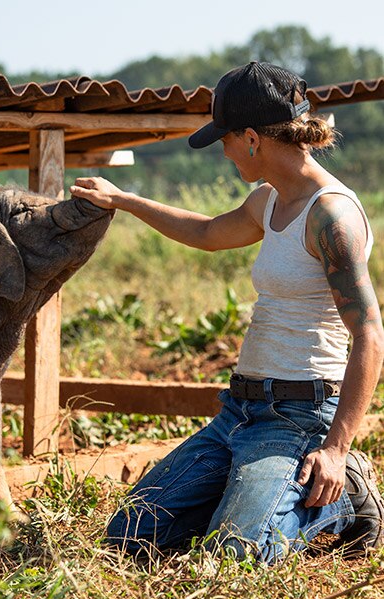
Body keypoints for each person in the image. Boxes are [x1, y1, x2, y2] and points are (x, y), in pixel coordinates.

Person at [70, 61, 384, 563]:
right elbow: (206, 233)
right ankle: (252, 491)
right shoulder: (268, 200)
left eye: (226, 139)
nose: (224, 151)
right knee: (129, 533)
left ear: (253, 138)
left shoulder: (332, 216)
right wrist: (125, 200)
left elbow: (369, 332)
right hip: (239, 411)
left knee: (236, 553)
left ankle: (346, 491)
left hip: (300, 416)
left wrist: (338, 447)